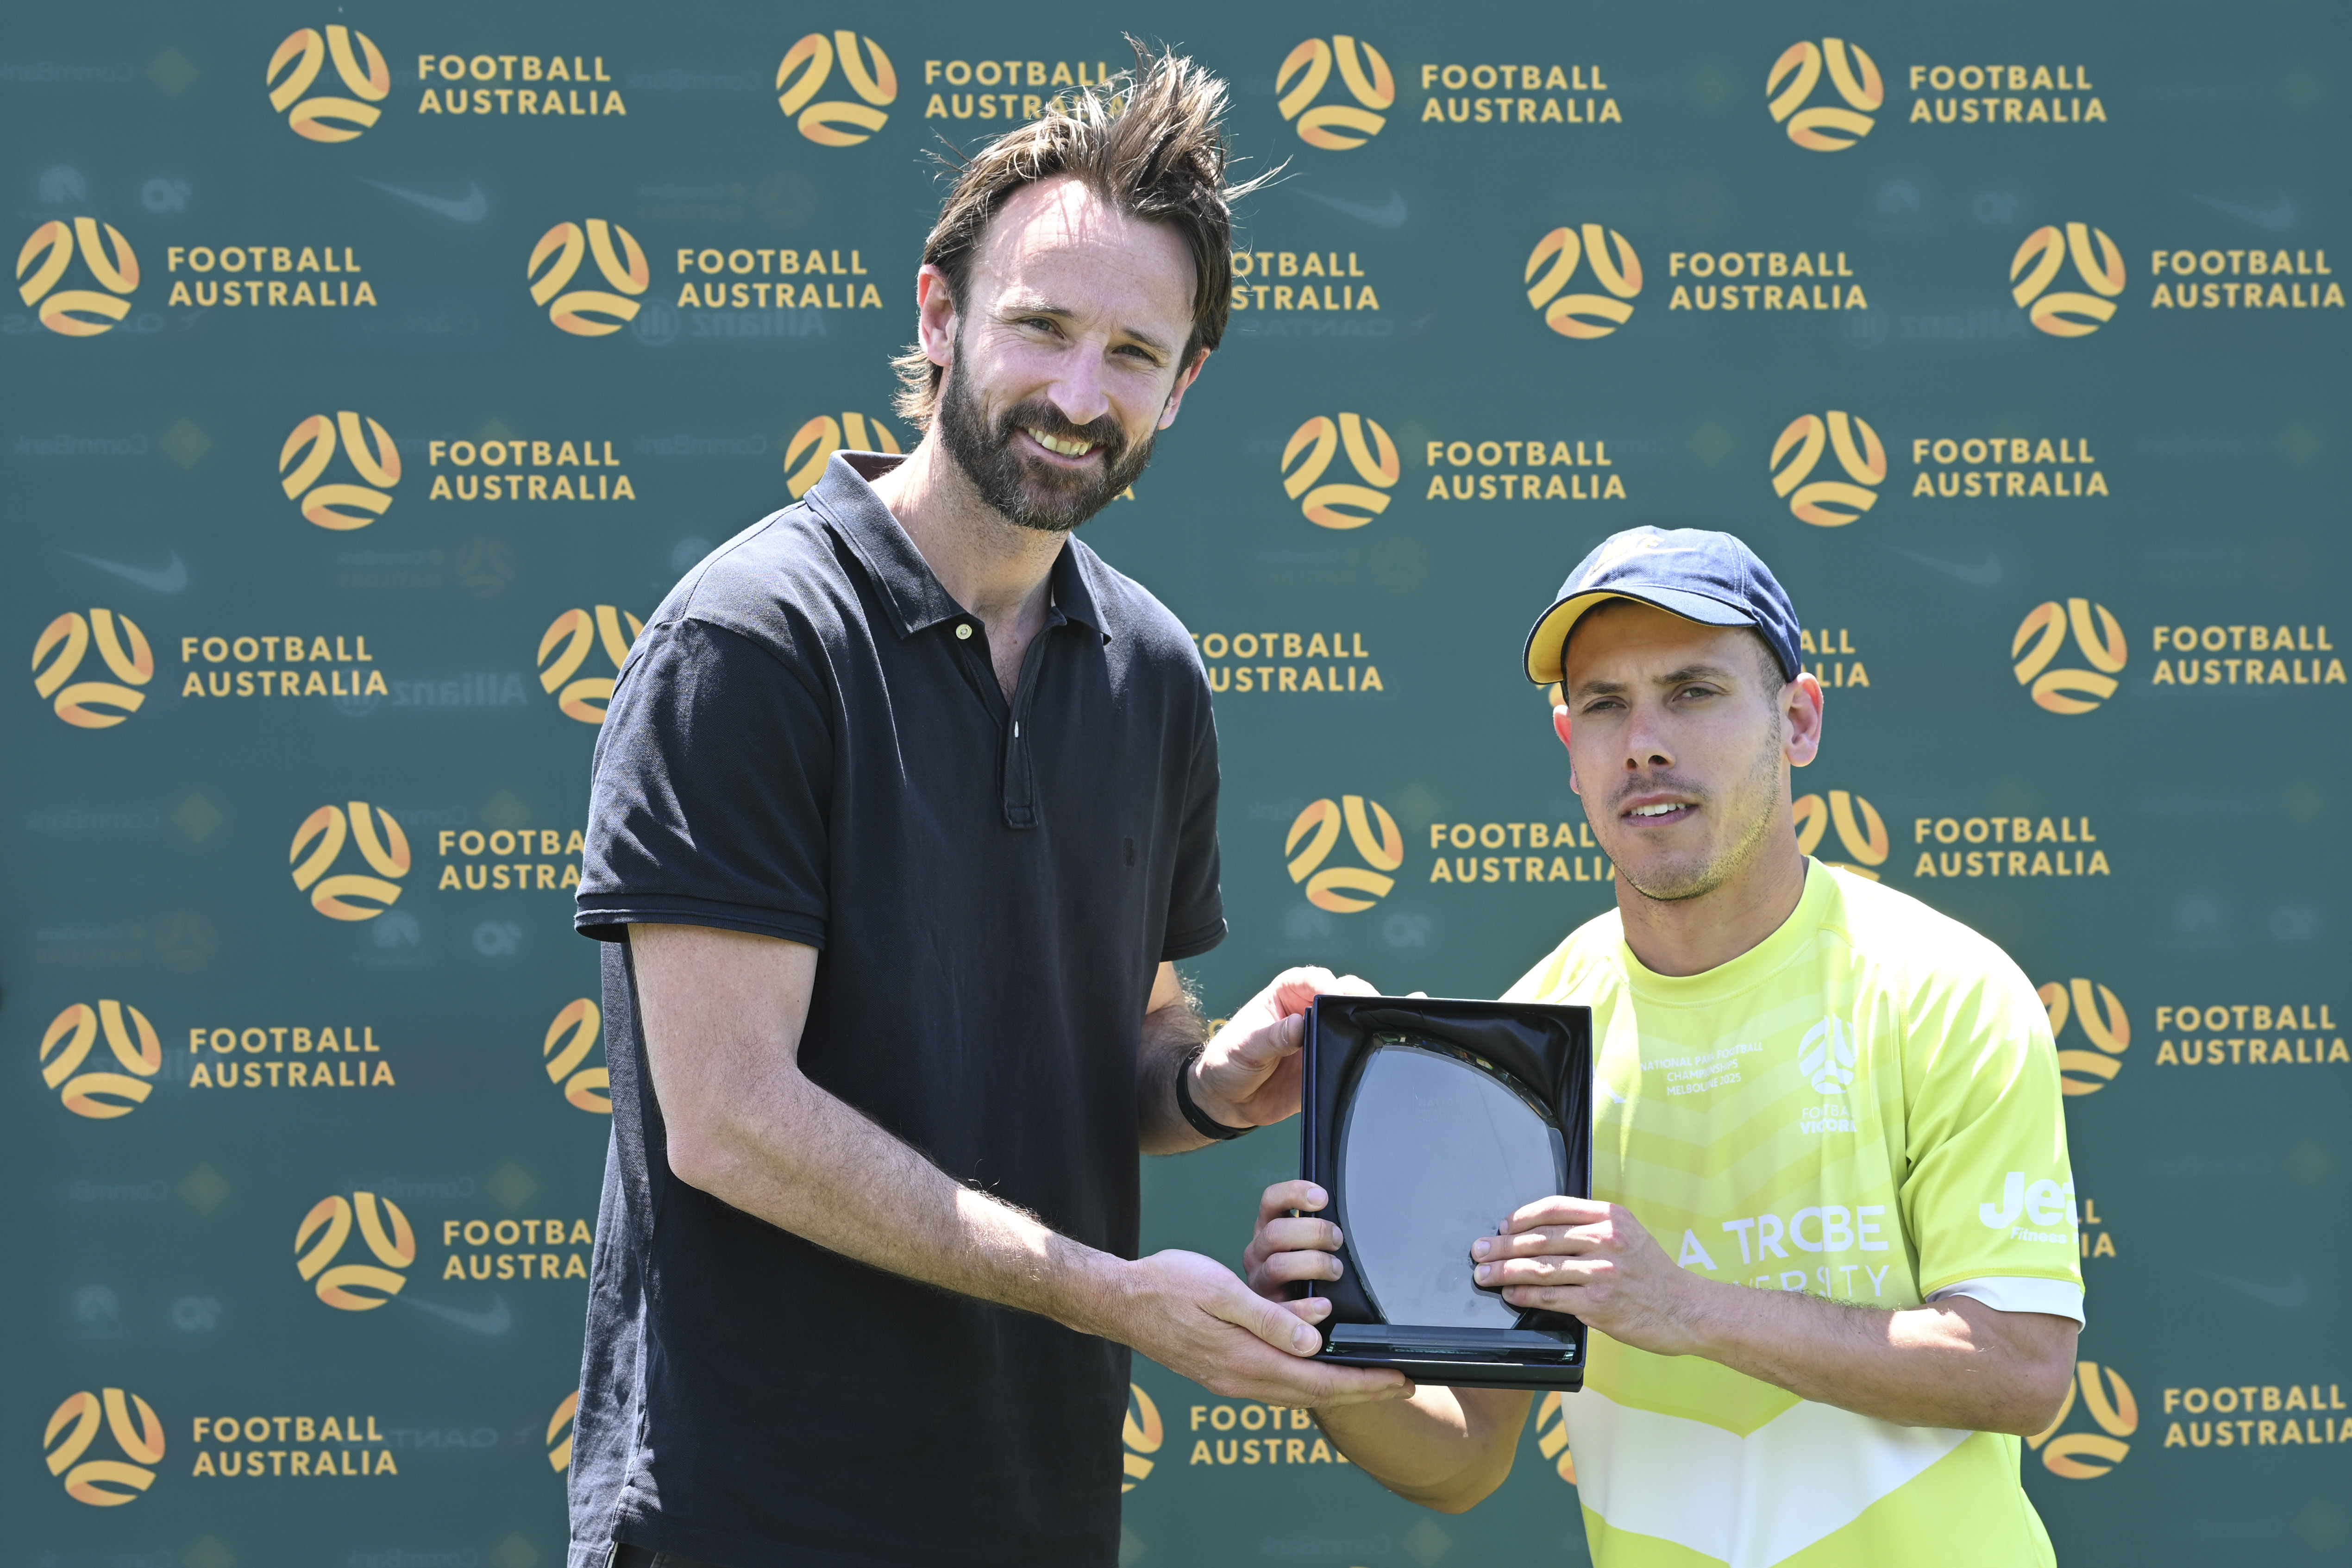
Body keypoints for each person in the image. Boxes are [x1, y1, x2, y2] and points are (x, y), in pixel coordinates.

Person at [565, 50, 1405, 1568]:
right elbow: (734, 1122)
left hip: (1037, 1513)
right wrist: (1113, 1288)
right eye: (1041, 329)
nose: (1079, 398)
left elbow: (1120, 1051)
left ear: (1186, 380)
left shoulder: (1150, 667)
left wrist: (1215, 1076)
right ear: (940, 317)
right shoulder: (752, 641)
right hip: (750, 1520)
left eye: (1134, 353)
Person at [1245, 527, 2085, 1567]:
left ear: (1798, 720)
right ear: (1569, 745)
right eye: (1605, 704)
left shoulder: (1944, 989)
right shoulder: (1528, 1040)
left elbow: (2022, 1369)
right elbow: (1465, 1456)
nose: (1643, 741)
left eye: (1691, 691)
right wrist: (1309, 1350)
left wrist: (1683, 1307)